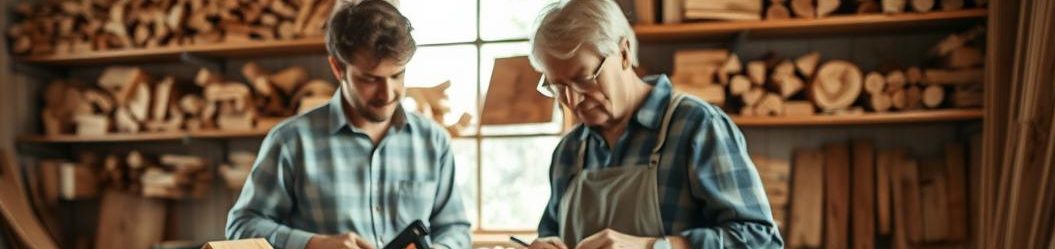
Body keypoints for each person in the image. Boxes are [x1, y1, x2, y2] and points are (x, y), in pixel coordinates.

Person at [522, 0, 783, 248]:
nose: (572, 100)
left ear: (623, 53)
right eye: (558, 87)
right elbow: (551, 233)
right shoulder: (569, 151)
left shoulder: (696, 126)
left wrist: (654, 246)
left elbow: (760, 240)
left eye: (583, 79)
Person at [224, 1, 471, 249]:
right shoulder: (290, 141)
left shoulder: (433, 141)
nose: (387, 93)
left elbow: (455, 229)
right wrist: (314, 244)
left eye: (397, 75)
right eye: (370, 79)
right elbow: (240, 227)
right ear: (337, 68)